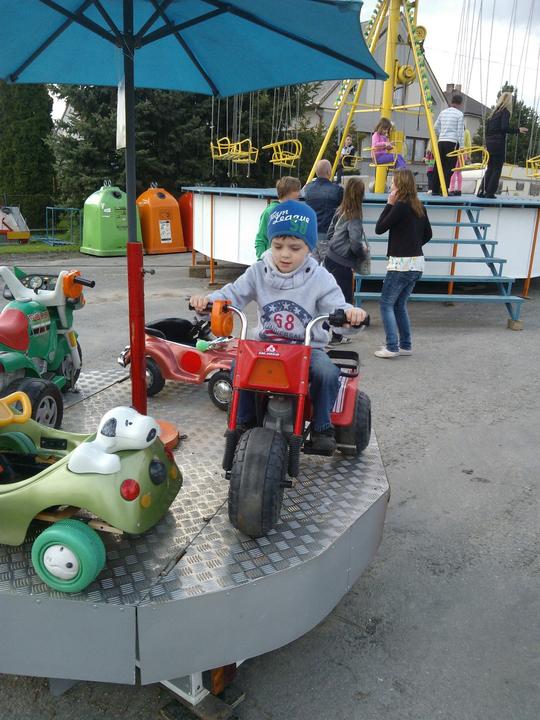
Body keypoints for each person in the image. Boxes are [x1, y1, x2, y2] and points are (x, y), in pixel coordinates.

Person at [190, 200, 366, 454]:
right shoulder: (258, 272)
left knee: (327, 372)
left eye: (295, 248)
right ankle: (244, 420)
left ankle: (322, 426)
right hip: (265, 346)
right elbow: (232, 295)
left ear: (309, 247)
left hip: (307, 348)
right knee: (237, 366)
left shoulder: (320, 278)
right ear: (270, 243)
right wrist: (208, 302)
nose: (285, 254)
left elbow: (337, 307)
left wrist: (350, 315)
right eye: (278, 246)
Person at [373, 169, 432, 358]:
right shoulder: (419, 206)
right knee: (399, 304)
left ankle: (392, 346)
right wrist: (413, 245)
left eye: (393, 182)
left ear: (399, 185)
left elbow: (379, 228)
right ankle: (405, 345)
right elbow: (428, 234)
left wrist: (389, 204)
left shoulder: (400, 206)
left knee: (386, 304)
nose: (391, 185)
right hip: (417, 263)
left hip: (400, 264)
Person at [324, 177, 368, 345]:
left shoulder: (340, 210)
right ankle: (337, 336)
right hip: (343, 263)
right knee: (343, 300)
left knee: (327, 296)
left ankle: (322, 332)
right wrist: (361, 253)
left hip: (330, 257)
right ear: (361, 194)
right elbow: (355, 243)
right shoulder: (354, 215)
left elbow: (330, 234)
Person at [477, 92, 528, 199]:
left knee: (490, 167)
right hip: (498, 143)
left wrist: (486, 143)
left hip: (490, 143)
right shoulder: (505, 112)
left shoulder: (494, 113)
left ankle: (481, 191)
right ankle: (490, 192)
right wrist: (517, 130)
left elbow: (488, 129)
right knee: (497, 168)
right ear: (509, 101)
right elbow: (504, 128)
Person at [303, 159, 343, 263]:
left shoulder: (308, 188)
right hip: (328, 235)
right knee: (329, 268)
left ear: (316, 172)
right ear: (329, 172)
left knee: (311, 268)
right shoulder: (337, 190)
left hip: (310, 235)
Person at [254, 176, 301, 259]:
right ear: (288, 191)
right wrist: (262, 261)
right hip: (272, 262)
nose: (300, 194)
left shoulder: (296, 212)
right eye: (297, 190)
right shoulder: (270, 212)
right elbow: (260, 240)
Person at [431, 93, 464, 195]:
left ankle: (435, 189)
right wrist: (462, 146)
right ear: (460, 104)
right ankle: (444, 189)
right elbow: (460, 132)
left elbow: (435, 127)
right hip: (452, 143)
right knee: (449, 167)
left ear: (451, 102)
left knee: (438, 165)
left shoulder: (443, 112)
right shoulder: (459, 114)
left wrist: (442, 134)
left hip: (441, 142)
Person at [448, 127, 472, 196]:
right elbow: (468, 144)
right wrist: (469, 154)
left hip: (456, 152)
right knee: (459, 172)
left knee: (454, 171)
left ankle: (451, 189)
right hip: (464, 152)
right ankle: (459, 190)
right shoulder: (466, 131)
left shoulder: (455, 131)